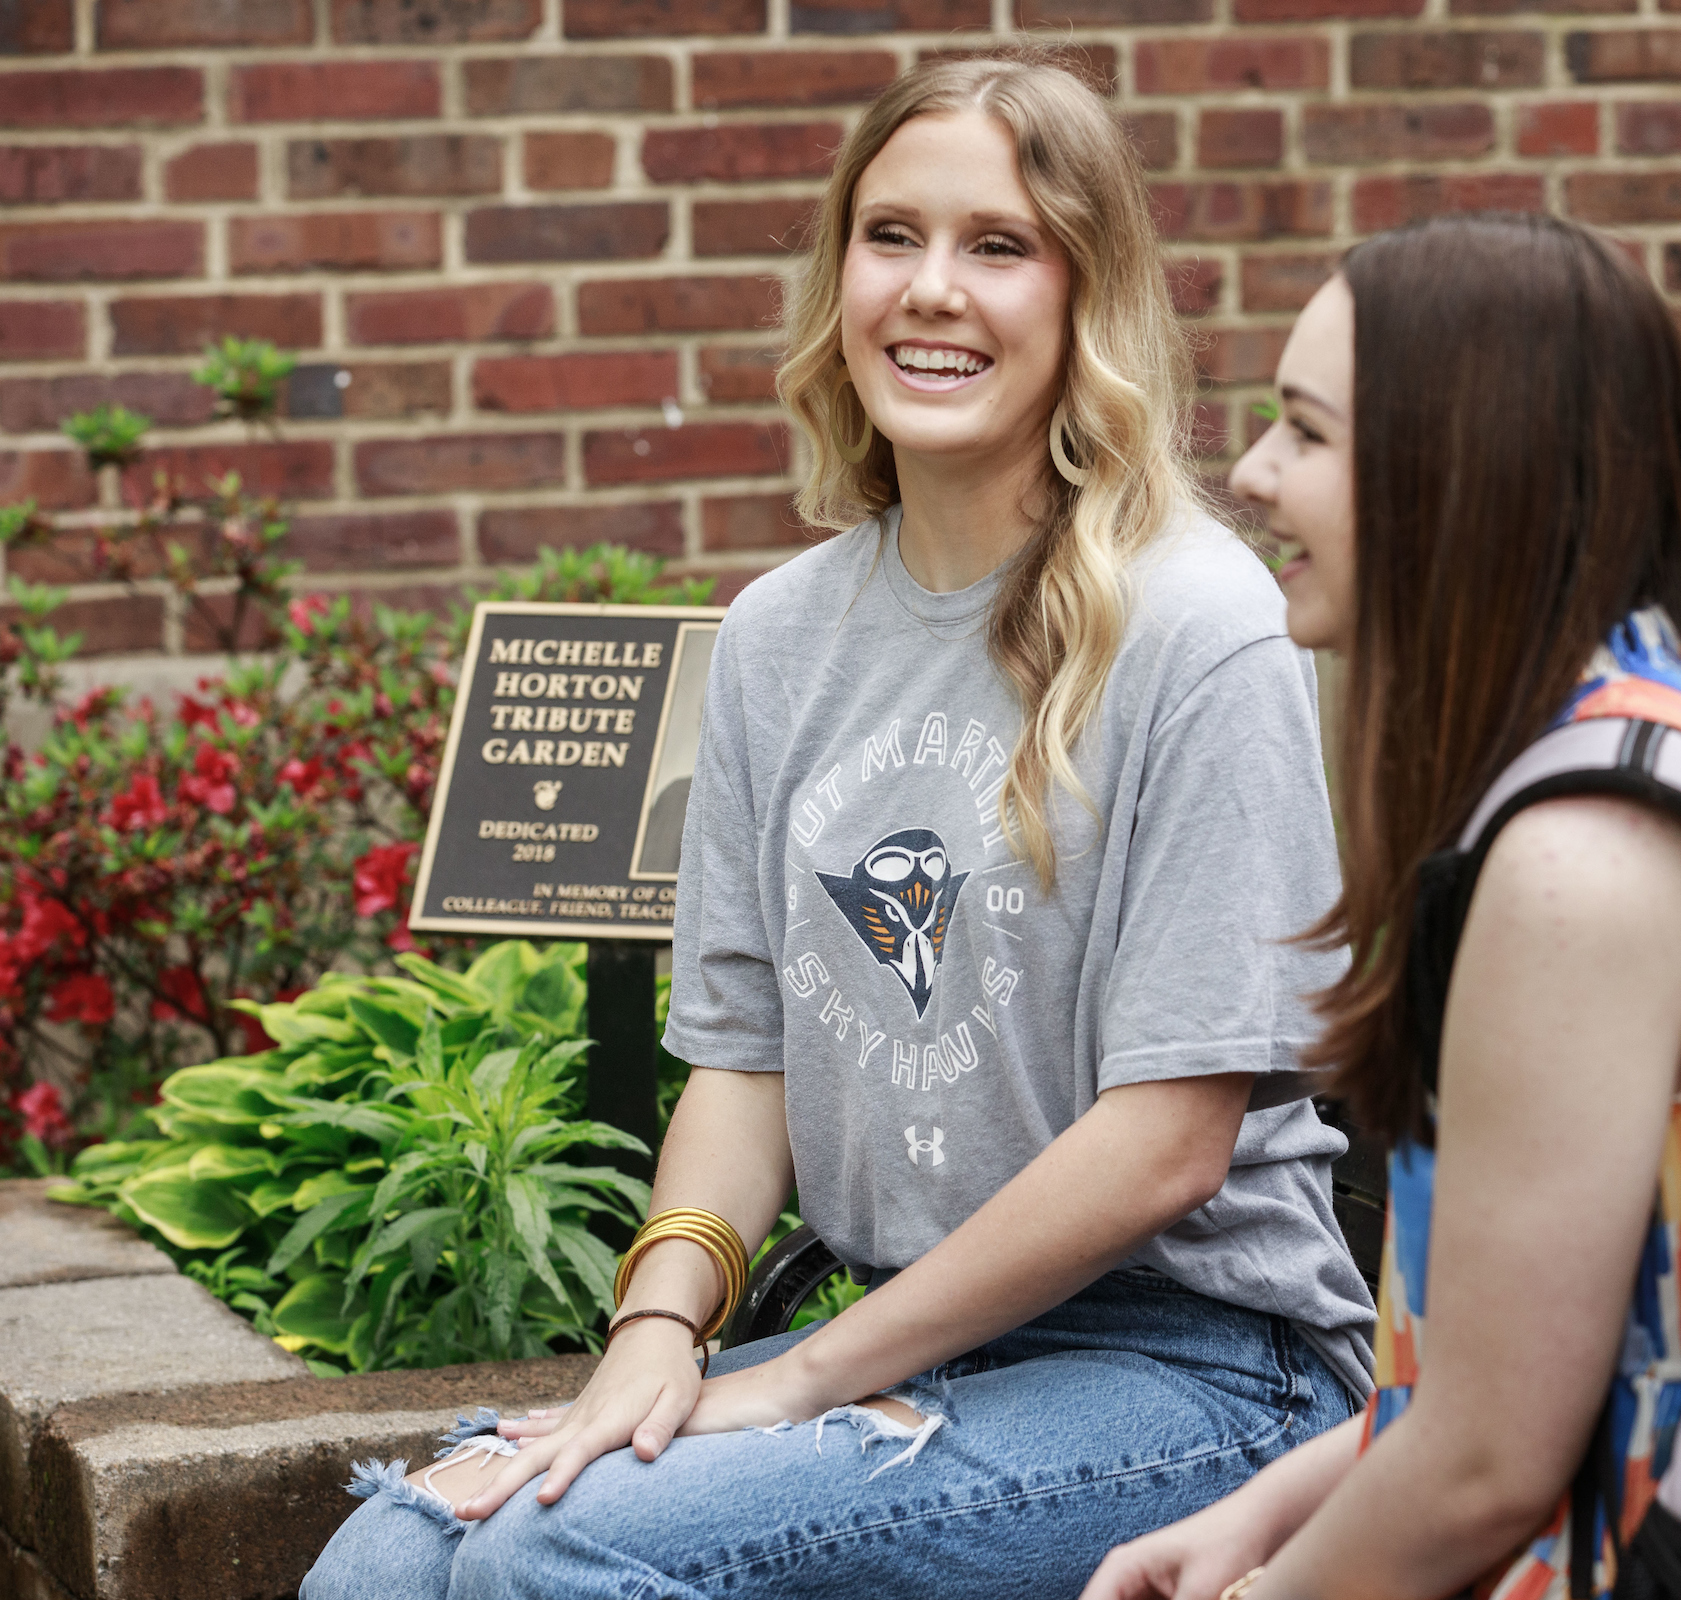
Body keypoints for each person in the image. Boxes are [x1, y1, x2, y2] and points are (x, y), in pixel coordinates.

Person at [301, 53, 1372, 1600]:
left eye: (999, 247)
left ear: (1089, 301)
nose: (933, 291)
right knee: (395, 1555)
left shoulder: (1202, 630)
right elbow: (744, 1070)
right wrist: (658, 1337)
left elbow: (1167, 1146)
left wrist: (795, 1384)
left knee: (559, 1556)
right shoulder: (781, 638)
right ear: (838, 275)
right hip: (928, 1346)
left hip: (1198, 1372)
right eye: (892, 236)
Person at [1082, 212, 1681, 1600]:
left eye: (1309, 433)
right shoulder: (1652, 738)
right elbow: (1518, 1366)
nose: (1256, 476)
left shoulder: (1582, 864)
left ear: (1468, 476)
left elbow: (1487, 1465)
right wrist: (1262, 1519)